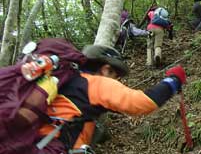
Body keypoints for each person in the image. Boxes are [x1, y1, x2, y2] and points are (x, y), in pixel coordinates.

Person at [35, 45, 186, 153]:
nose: (117, 81)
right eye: (116, 76)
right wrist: (173, 81)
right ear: (106, 69)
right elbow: (143, 103)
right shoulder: (94, 83)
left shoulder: (63, 82)